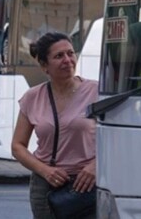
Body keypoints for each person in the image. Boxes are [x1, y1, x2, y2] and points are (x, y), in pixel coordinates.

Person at [11, 32, 98, 219]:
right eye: (59, 56)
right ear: (44, 66)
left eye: (70, 53)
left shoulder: (96, 92)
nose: (67, 60)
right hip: (46, 186)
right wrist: (46, 171)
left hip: (87, 183)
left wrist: (96, 166)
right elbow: (17, 146)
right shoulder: (32, 97)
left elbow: (116, 138)